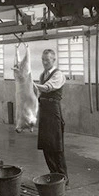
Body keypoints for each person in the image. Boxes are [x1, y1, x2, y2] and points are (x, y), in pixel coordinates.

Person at [34, 49, 68, 184]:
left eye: (47, 60)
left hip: (54, 112)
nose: (44, 62)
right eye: (43, 59)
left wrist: (30, 84)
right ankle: (53, 174)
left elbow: (47, 88)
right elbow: (40, 92)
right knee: (46, 146)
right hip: (44, 111)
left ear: (54, 60)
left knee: (56, 146)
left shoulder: (58, 74)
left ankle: (63, 177)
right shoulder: (43, 74)